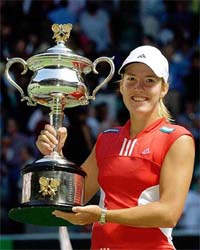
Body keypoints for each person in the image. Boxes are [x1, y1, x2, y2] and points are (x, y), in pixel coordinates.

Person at [36, 45, 195, 250]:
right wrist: (54, 156)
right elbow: (72, 197)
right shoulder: (106, 139)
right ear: (121, 86)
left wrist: (102, 216)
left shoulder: (177, 139)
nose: (139, 87)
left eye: (149, 80)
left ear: (163, 88)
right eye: (131, 79)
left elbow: (168, 214)